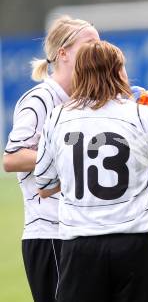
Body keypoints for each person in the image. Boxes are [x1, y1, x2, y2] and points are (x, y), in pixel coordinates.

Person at [34, 40, 148, 302]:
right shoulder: (142, 116)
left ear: (80, 74)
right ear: (118, 72)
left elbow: (44, 185)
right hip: (134, 245)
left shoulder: (57, 118)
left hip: (79, 248)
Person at [3, 16, 100, 302]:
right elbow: (11, 157)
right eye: (91, 43)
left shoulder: (82, 101)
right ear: (64, 53)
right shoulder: (40, 99)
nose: (99, 48)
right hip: (49, 235)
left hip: (80, 232)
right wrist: (67, 156)